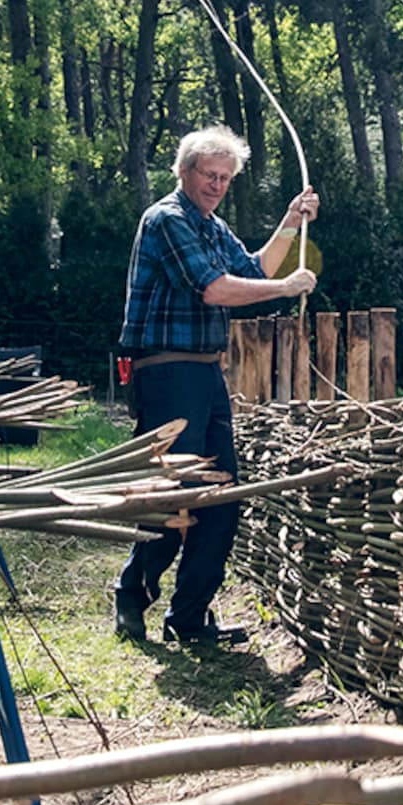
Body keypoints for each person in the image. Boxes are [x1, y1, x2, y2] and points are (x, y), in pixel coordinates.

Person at [113, 125, 319, 645]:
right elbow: (215, 290)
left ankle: (189, 617)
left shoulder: (210, 224)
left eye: (226, 178)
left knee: (222, 494)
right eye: (211, 174)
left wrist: (291, 223)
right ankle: (132, 592)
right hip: (165, 372)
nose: (218, 184)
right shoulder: (167, 220)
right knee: (174, 496)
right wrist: (286, 288)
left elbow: (251, 266)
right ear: (185, 172)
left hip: (204, 370)